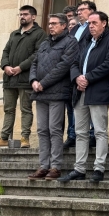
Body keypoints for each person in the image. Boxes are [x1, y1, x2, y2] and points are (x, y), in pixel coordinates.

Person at [60, 11, 109, 183]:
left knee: (100, 131)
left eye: (94, 23)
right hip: (80, 91)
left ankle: (98, 168)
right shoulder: (86, 42)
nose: (91, 26)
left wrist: (88, 77)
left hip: (98, 91)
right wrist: (77, 77)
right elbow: (73, 63)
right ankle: (79, 168)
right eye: (89, 23)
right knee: (80, 132)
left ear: (104, 23)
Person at [0, 5, 46, 150]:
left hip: (25, 78)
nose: (22, 17)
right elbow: (5, 51)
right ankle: (4, 137)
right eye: (20, 14)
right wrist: (5, 66)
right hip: (10, 79)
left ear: (33, 17)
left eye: (25, 14)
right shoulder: (14, 34)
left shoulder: (39, 34)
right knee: (8, 109)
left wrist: (21, 67)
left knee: (26, 109)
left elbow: (38, 55)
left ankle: (25, 138)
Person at [27, 13, 80, 180]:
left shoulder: (71, 42)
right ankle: (43, 166)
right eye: (49, 23)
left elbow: (64, 66)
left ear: (64, 25)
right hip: (40, 92)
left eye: (54, 23)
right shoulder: (44, 43)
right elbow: (34, 62)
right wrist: (34, 80)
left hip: (57, 92)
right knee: (42, 130)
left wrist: (43, 83)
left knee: (55, 129)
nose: (50, 26)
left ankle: (55, 167)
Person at [63, 0, 96, 149]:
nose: (79, 12)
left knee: (90, 105)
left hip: (86, 71)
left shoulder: (94, 27)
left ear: (92, 11)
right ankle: (72, 134)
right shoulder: (75, 28)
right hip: (71, 71)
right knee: (72, 105)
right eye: (79, 9)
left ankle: (92, 135)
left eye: (83, 9)